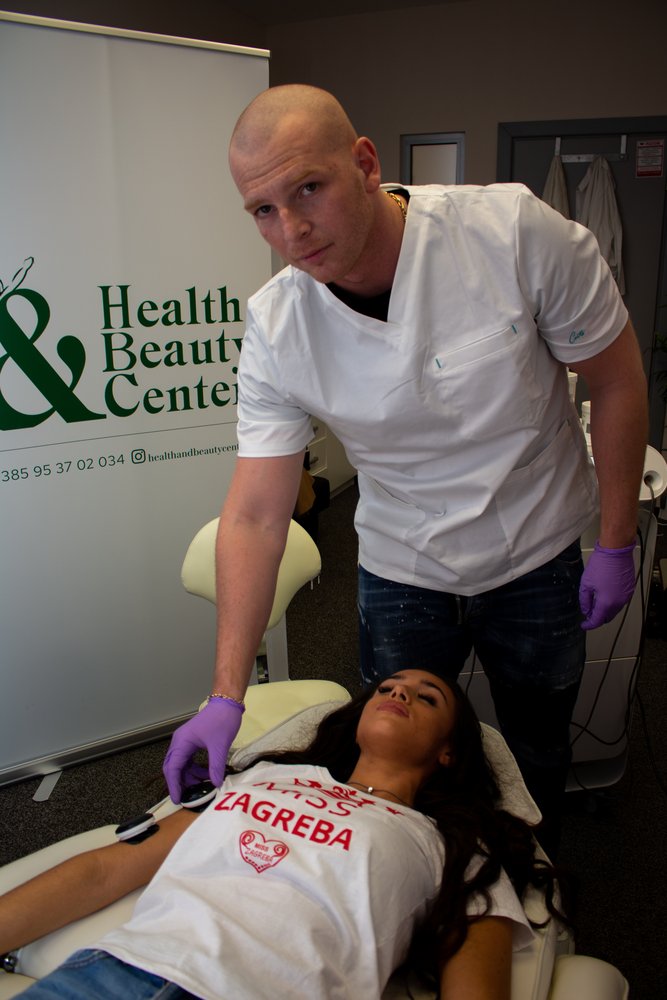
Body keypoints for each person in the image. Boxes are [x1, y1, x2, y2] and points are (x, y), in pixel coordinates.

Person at [163, 85, 648, 853]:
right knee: (395, 764)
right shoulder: (278, 325)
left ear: (364, 164)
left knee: (535, 740)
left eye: (308, 189)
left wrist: (616, 541)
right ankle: (414, 877)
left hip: (533, 549)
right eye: (262, 210)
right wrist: (225, 694)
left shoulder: (509, 234)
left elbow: (615, 381)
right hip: (402, 565)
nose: (291, 230)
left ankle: (534, 867)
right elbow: (255, 513)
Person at [0, 671, 566, 999]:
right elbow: (104, 870)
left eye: (426, 697)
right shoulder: (265, 778)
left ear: (449, 752)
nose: (399, 693)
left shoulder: (455, 848)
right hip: (112, 974)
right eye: (388, 687)